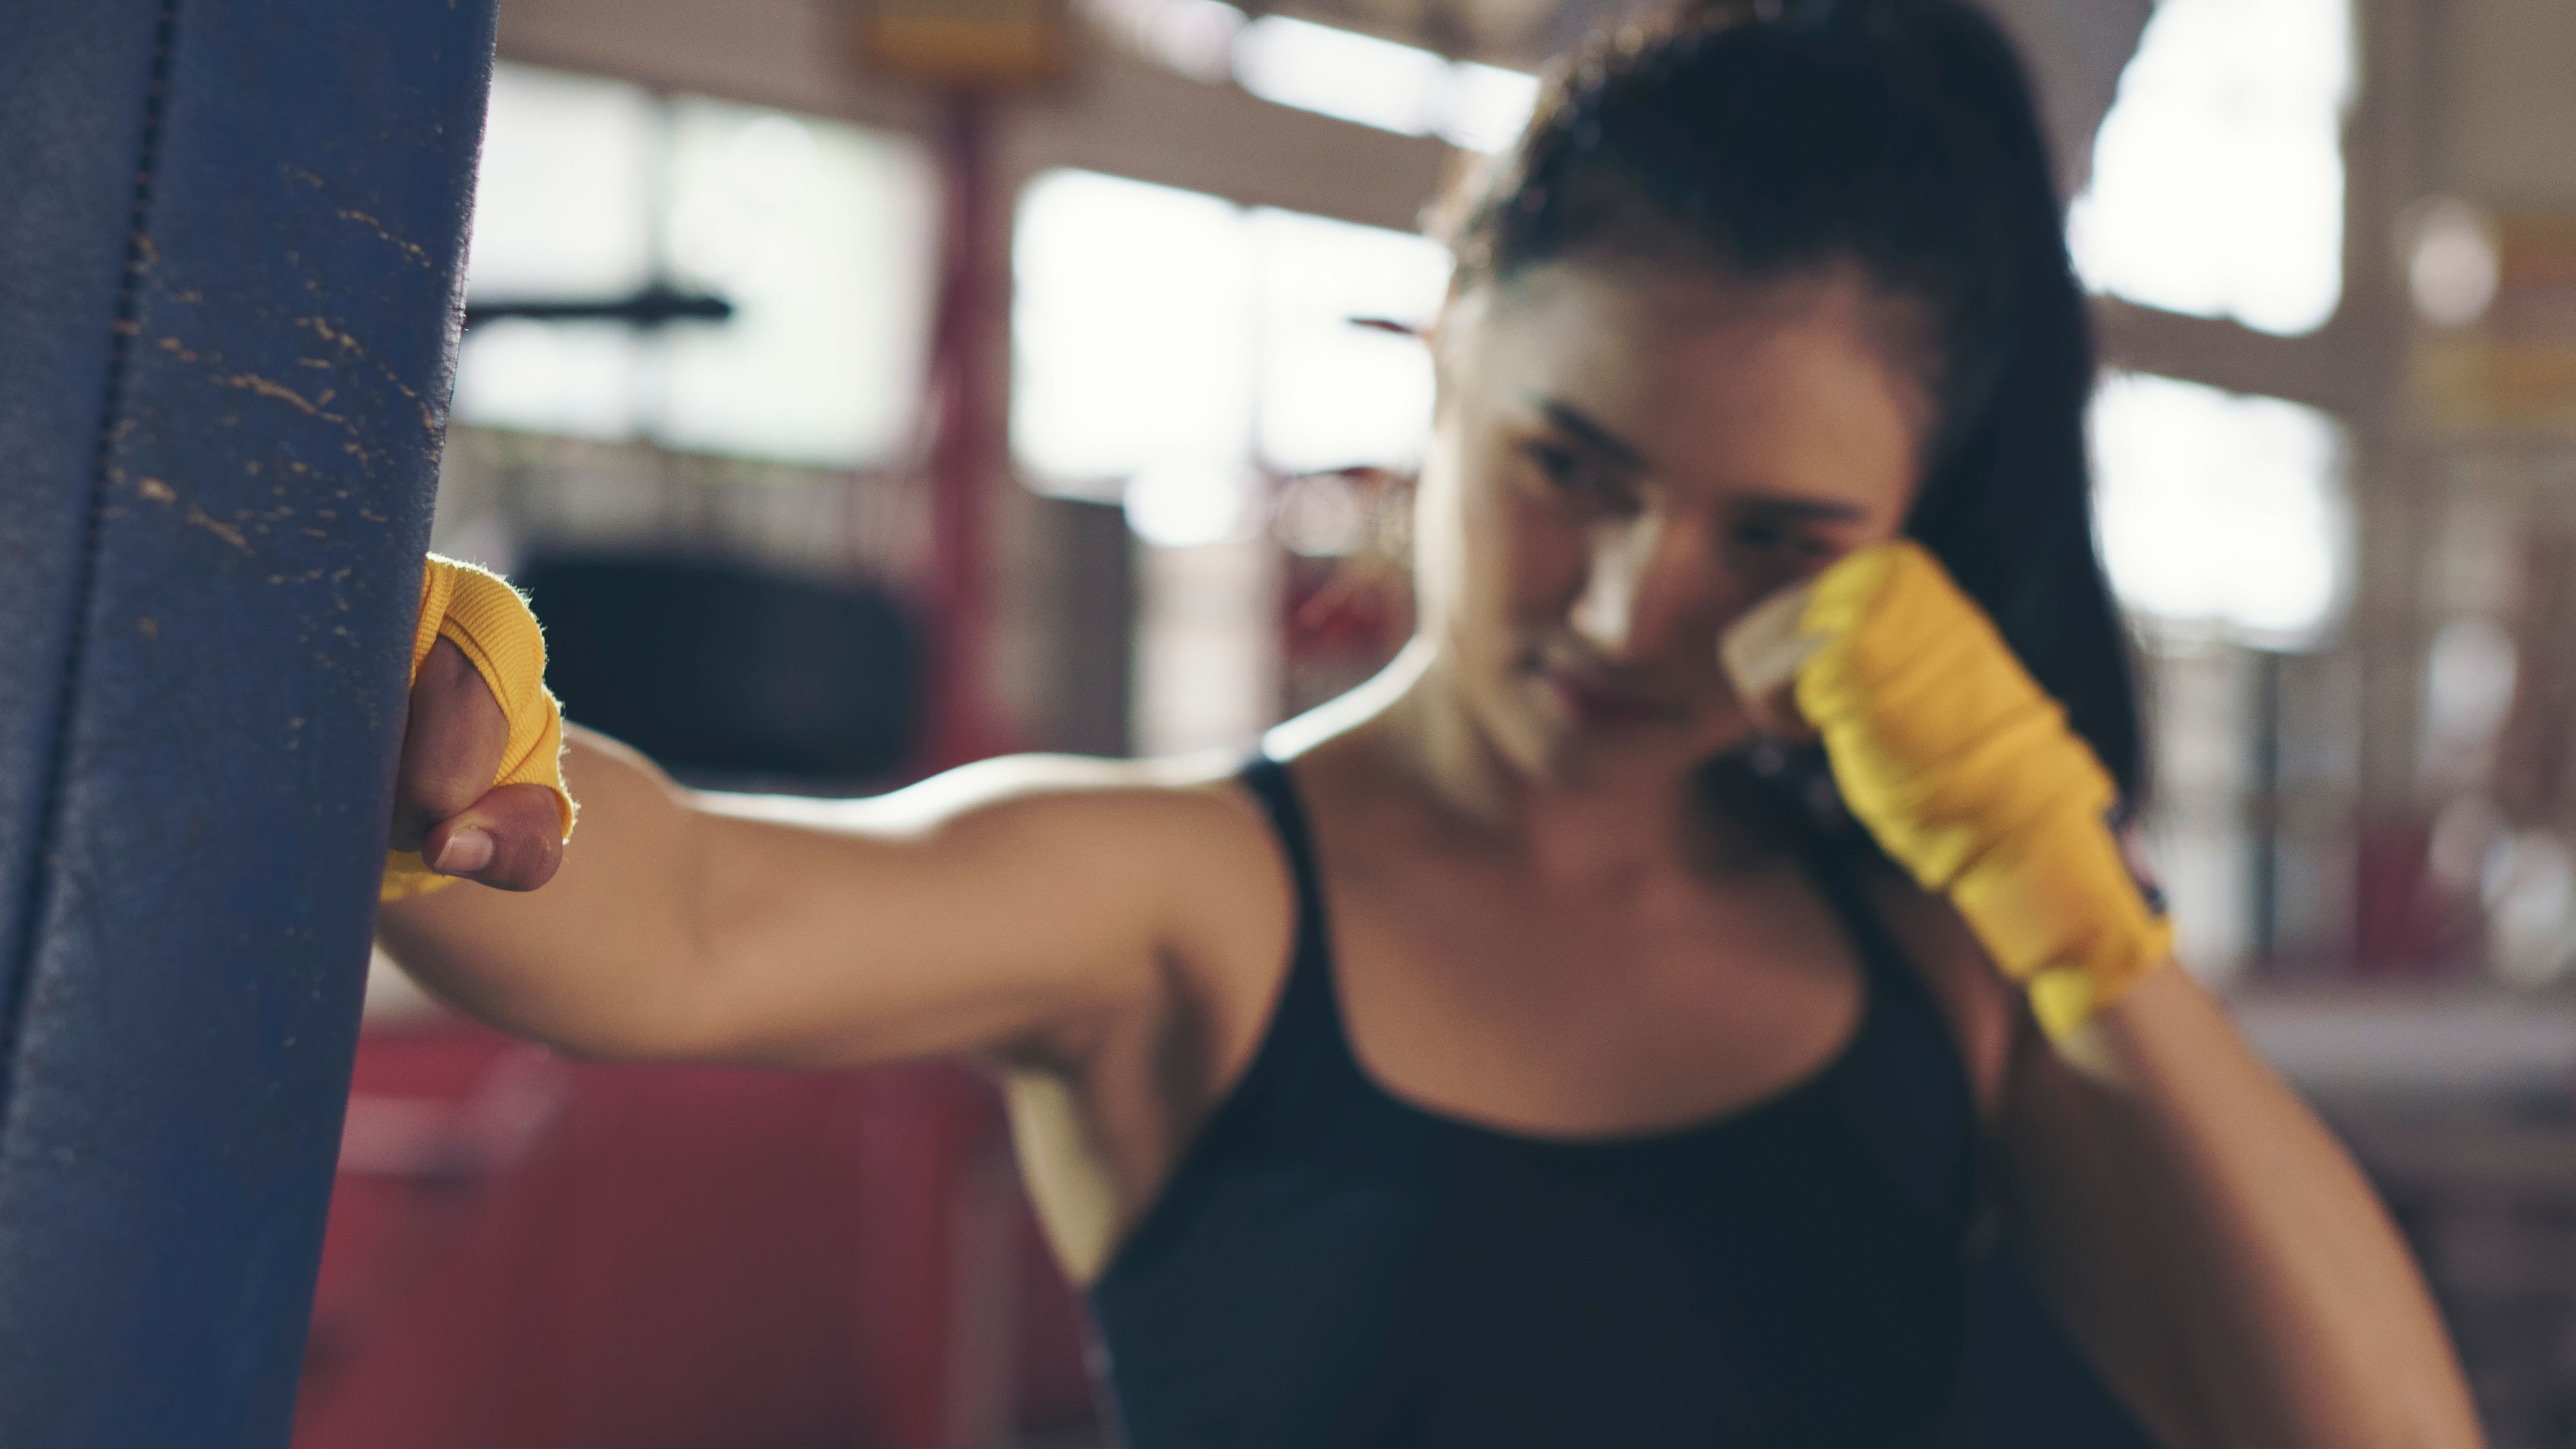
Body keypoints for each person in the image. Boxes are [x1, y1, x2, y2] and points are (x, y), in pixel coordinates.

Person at [375, 1, 2486, 1444]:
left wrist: (2073, 913)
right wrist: (417, 733)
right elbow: (693, 918)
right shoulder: (1189, 899)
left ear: (1911, 544)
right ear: (1449, 350)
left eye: (1780, 534)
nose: (1625, 600)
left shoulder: (1940, 947)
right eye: (1570, 462)